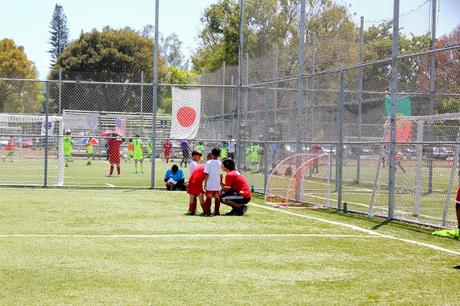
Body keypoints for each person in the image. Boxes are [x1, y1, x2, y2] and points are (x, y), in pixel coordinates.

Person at [203, 148, 221, 216]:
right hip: (217, 182)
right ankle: (216, 211)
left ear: (212, 154)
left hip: (210, 182)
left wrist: (205, 183)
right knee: (217, 196)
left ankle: (208, 211)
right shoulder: (220, 163)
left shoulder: (208, 162)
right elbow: (221, 174)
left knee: (209, 196)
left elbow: (206, 173)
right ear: (219, 155)